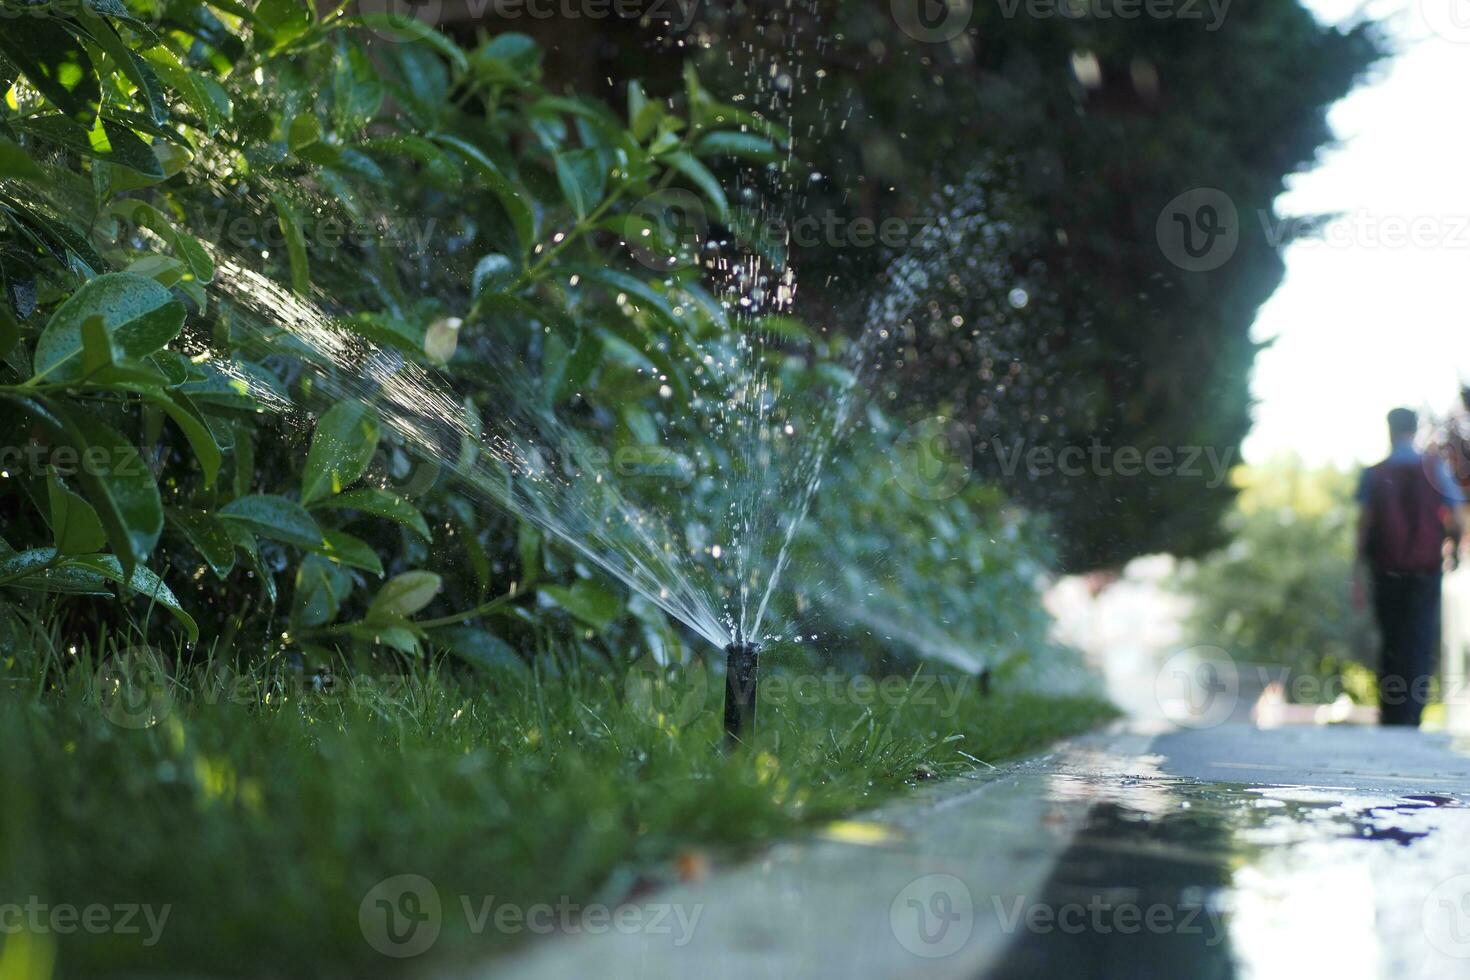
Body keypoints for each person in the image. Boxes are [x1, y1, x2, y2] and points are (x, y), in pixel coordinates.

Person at [1354, 408, 1465, 726]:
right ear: (1414, 430)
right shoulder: (1434, 469)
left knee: (1391, 639)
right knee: (1418, 639)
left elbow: (1363, 526)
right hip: (1425, 570)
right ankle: (1410, 716)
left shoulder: (1374, 474)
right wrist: (1453, 550)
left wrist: (1357, 570)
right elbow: (1456, 517)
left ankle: (1390, 714)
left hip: (1385, 570)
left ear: (1389, 429)